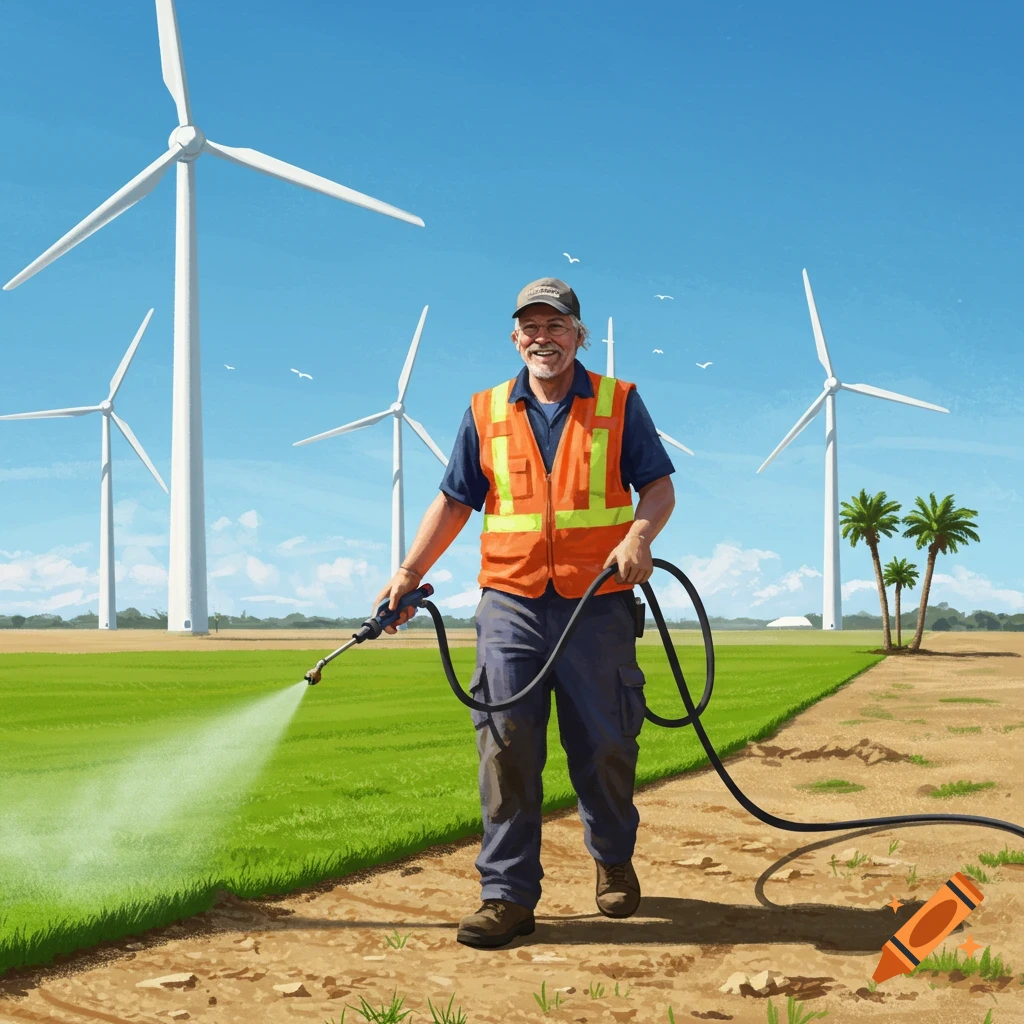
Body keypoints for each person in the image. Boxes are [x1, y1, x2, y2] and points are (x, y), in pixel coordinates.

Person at [372, 277, 676, 948]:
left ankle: (612, 857)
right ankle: (506, 895)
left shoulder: (619, 403)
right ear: (516, 337)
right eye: (531, 327)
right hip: (509, 602)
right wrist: (408, 572)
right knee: (505, 747)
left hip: (596, 603)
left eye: (556, 325)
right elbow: (455, 500)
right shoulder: (484, 411)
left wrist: (638, 537)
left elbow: (657, 486)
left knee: (604, 745)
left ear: (578, 335)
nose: (543, 337)